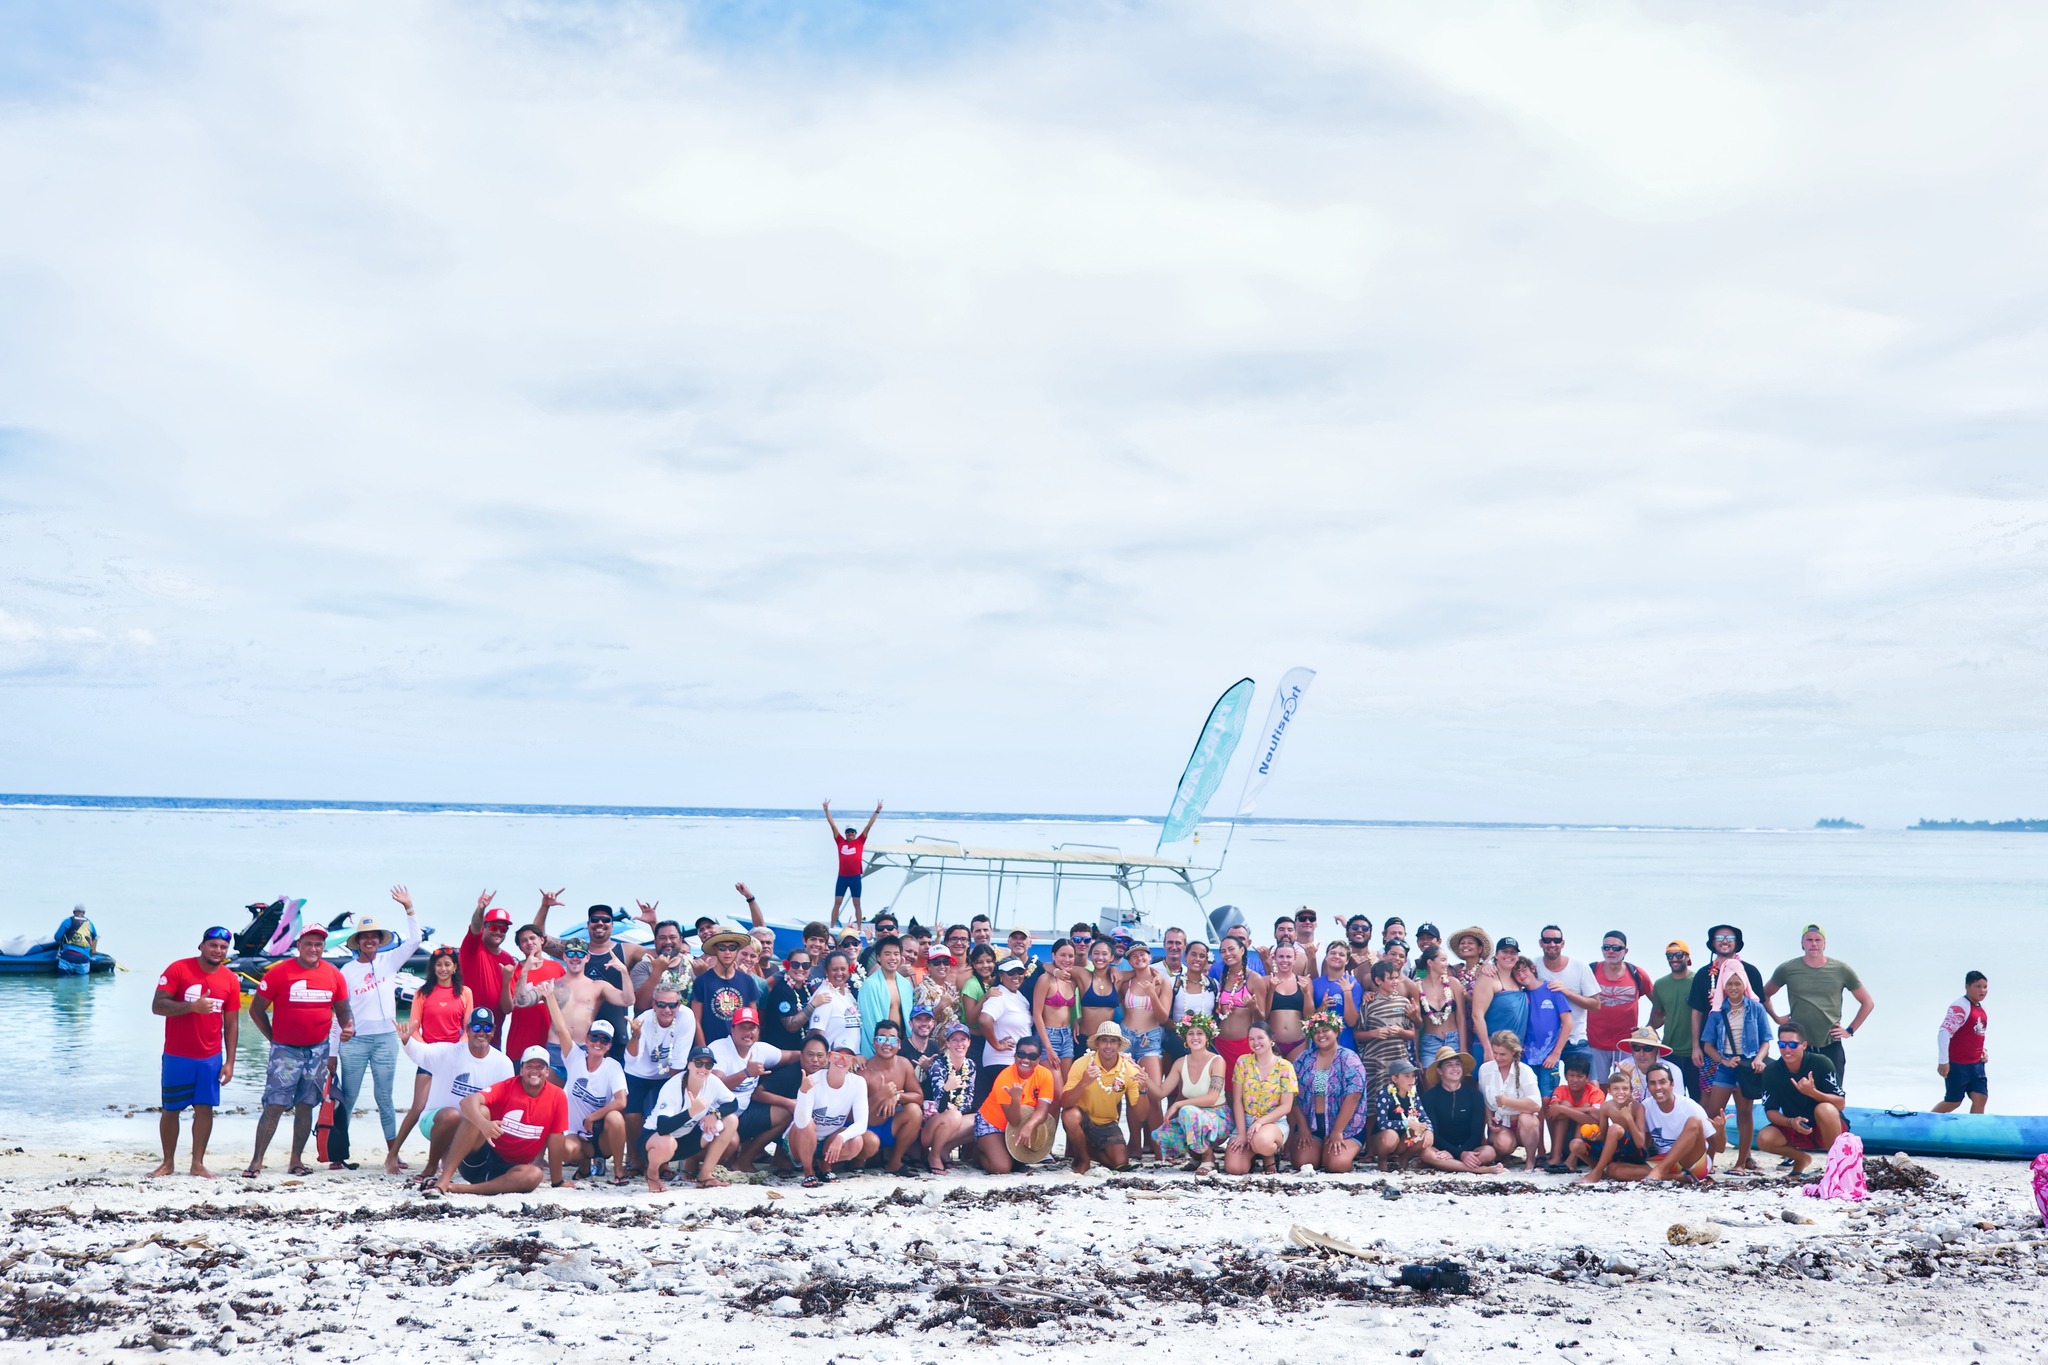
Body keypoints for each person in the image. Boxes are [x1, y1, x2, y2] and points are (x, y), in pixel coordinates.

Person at [245, 924, 353, 1179]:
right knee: (275, 1104)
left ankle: (296, 1160)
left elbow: (343, 1010)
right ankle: (256, 1162)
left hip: (318, 1050)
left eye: (318, 944)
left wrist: (348, 1026)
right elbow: (256, 1010)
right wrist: (274, 1039)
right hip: (286, 1050)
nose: (313, 949)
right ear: (298, 946)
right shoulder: (279, 973)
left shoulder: (334, 974)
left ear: (323, 947)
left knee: (306, 1105)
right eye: (308, 944)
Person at [333, 889, 426, 1174]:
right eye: (365, 937)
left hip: (386, 1039)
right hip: (355, 1042)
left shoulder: (390, 961)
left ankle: (393, 1154)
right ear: (358, 942)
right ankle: (337, 1154)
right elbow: (338, 1013)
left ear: (379, 940)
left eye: (374, 936)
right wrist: (333, 1051)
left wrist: (409, 908)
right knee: (348, 1097)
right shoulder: (346, 971)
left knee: (385, 1098)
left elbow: (415, 940)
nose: (370, 940)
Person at [150, 925, 241, 1178]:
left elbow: (232, 1023)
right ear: (201, 946)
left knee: (204, 1109)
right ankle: (167, 1163)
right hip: (177, 1054)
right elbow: (158, 1006)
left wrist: (230, 1061)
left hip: (210, 1057)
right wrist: (192, 1007)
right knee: (171, 1109)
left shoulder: (230, 979)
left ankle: (197, 1164)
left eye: (223, 947)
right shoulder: (178, 969)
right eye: (213, 945)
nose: (218, 950)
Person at [399, 1007, 513, 1184]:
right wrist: (407, 1040)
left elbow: (506, 1104)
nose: (481, 1032)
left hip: (473, 1127)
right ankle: (431, 1166)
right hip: (435, 1122)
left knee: (483, 1113)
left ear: (493, 1031)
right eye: (476, 1027)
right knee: (451, 1115)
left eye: (487, 1028)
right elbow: (420, 1053)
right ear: (467, 1030)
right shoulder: (449, 1052)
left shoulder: (503, 1063)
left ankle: (455, 1166)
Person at [436, 1046, 567, 1196]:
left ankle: (458, 1189)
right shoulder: (507, 1087)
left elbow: (556, 1138)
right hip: (479, 1161)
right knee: (481, 1111)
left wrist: (557, 1182)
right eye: (529, 1066)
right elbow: (467, 1102)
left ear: (547, 1071)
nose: (534, 1071)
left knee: (535, 1174)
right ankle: (444, 1180)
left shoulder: (557, 1096)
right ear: (521, 1070)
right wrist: (483, 1124)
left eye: (540, 1067)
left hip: (510, 1171)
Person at [1764, 925, 1874, 1082]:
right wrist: (1776, 1018)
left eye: (1818, 940)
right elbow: (1764, 995)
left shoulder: (1841, 969)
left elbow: (1867, 1002)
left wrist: (1850, 1030)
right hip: (1799, 1046)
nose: (1814, 944)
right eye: (1809, 940)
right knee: (1797, 1091)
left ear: (1824, 944)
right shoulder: (1787, 969)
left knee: (1833, 1094)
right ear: (1802, 943)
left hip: (1830, 1044)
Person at [394, 946, 473, 1159]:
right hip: (429, 1058)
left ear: (455, 967)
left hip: (454, 1058)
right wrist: (426, 1051)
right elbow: (414, 1028)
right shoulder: (422, 993)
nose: (443, 969)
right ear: (433, 968)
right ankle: (393, 1154)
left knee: (451, 1109)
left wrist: (458, 1049)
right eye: (438, 965)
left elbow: (468, 1028)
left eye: (447, 964)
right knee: (418, 1106)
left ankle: (444, 1157)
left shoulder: (465, 992)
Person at [543, 994, 628, 1185]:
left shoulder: (612, 1066)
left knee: (616, 1118)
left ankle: (619, 1170)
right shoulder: (574, 1057)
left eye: (604, 1040)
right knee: (564, 1149)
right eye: (594, 1037)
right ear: (587, 1039)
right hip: (576, 1133)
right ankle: (584, 1164)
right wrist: (550, 996)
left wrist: (593, 1117)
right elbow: (561, 1028)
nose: (598, 1043)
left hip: (601, 1135)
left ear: (609, 1046)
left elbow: (621, 1101)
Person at [1579, 1065, 1710, 1184]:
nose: (1658, 1087)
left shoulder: (1689, 1106)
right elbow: (1629, 1104)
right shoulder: (1647, 1105)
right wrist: (1627, 1078)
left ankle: (1659, 1172)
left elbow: (1715, 1144)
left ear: (1672, 1084)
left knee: (1694, 1121)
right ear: (1648, 1087)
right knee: (1613, 1170)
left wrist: (1718, 1136)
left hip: (1690, 1161)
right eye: (1652, 1083)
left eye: (1662, 1082)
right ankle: (1675, 1177)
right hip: (1662, 1160)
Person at [1699, 962, 1771, 1171]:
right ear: (1723, 985)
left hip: (1747, 1066)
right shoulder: (1717, 1012)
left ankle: (1741, 1163)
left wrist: (1759, 1059)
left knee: (1744, 1113)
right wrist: (1724, 1061)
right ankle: (1709, 1161)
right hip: (1726, 1066)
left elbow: (1766, 1041)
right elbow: (1708, 1045)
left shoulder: (1756, 1008)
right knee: (1714, 1113)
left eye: (1737, 983)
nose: (1733, 988)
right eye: (1729, 984)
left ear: (1744, 984)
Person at [644, 1046, 739, 1192]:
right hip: (654, 1141)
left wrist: (715, 1114)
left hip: (685, 1140)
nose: (703, 1068)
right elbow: (662, 1127)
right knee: (667, 1142)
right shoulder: (672, 1086)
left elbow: (733, 1103)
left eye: (708, 1065)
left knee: (731, 1120)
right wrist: (691, 1112)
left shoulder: (712, 1081)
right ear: (689, 1064)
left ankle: (705, 1175)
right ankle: (652, 1174)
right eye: (699, 1063)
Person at [1756, 1022, 1847, 1174]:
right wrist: (1790, 1122)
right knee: (1764, 1138)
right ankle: (1801, 1159)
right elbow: (1770, 1110)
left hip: (1828, 1127)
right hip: (1796, 1127)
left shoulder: (1821, 1063)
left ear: (1804, 1045)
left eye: (1792, 1044)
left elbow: (1840, 1104)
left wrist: (1813, 1092)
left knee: (1824, 1108)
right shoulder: (1772, 1071)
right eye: (1782, 1044)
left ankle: (1836, 1167)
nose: (1787, 1049)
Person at [1062, 1021, 1146, 1174]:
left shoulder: (1130, 1070)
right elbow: (1065, 1103)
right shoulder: (1082, 1064)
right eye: (1104, 1040)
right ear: (1097, 1043)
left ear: (1119, 1045)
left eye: (1113, 1041)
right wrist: (1083, 1082)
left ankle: (1087, 1149)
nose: (1108, 1046)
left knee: (1120, 1163)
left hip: (1108, 1123)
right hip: (1083, 1119)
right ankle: (1083, 1159)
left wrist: (1143, 1090)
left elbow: (1141, 1115)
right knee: (1070, 1115)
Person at [1150, 1015, 1230, 1173]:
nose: (1195, 1037)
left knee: (1186, 1111)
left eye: (1200, 1033)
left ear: (1207, 1038)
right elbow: (1160, 1093)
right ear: (1185, 1038)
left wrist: (1178, 1104)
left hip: (1218, 1118)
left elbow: (1212, 1098)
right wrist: (1144, 1078)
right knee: (1162, 1135)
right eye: (1190, 1033)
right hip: (1194, 1117)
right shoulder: (1180, 1063)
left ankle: (1208, 1158)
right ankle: (1196, 1156)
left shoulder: (1217, 1061)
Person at [1289, 1011, 1367, 1173]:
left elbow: (1354, 1095)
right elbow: (1291, 1091)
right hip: (1312, 1124)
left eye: (1325, 1030)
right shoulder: (1304, 1058)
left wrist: (1337, 1131)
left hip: (1346, 1126)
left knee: (1336, 1165)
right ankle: (1321, 1148)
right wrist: (1302, 1127)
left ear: (1336, 1032)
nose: (1321, 1035)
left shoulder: (1349, 1058)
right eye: (1316, 1032)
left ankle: (1339, 1152)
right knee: (1303, 1163)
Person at [1687, 925, 1765, 1084]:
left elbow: (1759, 1011)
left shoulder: (1750, 972)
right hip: (1711, 1049)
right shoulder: (1703, 974)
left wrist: (1761, 1052)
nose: (1724, 941)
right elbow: (1697, 1012)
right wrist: (1696, 1047)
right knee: (1708, 1092)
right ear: (1713, 943)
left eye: (1730, 938)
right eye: (1719, 938)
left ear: (1736, 943)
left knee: (1744, 1093)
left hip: (1746, 1051)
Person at [792, 1039, 876, 1185]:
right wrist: (803, 1092)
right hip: (801, 1139)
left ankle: (825, 1165)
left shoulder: (858, 1082)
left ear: (852, 1061)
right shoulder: (813, 1079)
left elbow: (862, 1124)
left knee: (856, 1141)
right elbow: (800, 1122)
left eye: (847, 1057)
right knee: (808, 1123)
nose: (842, 1060)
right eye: (837, 1055)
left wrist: (841, 1137)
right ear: (830, 1057)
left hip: (829, 1140)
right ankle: (808, 1170)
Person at [1118, 938, 1170, 1155]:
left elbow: (1163, 1017)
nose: (1139, 958)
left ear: (1149, 956)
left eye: (1142, 954)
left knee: (1154, 1095)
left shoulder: (1162, 982)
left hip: (1151, 1039)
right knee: (1131, 1094)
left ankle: (1159, 1148)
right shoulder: (1126, 983)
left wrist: (1152, 994)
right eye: (1134, 956)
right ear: (1129, 960)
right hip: (1127, 1038)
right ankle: (1135, 1145)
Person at [1224, 1022, 1296, 1175]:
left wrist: (1260, 1122)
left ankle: (1268, 1156)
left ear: (1271, 1039)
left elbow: (1286, 1106)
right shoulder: (1243, 1062)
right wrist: (1242, 1134)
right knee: (1235, 1168)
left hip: (1273, 1122)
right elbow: (1237, 1101)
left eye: (1260, 1038)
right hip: (1246, 1121)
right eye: (1251, 1039)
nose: (1256, 1042)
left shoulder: (1285, 1066)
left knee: (1262, 1141)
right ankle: (1251, 1155)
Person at [550, 940, 631, 1073]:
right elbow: (521, 1000)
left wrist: (624, 971)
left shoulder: (598, 986)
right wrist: (524, 972)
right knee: (551, 1087)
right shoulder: (552, 985)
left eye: (580, 954)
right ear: (564, 957)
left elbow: (628, 1000)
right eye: (570, 954)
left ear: (587, 957)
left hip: (583, 1049)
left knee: (581, 1086)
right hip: (555, 1048)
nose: (575, 958)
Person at [1584, 931, 1653, 1084]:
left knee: (1627, 1086)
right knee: (1597, 1088)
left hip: (1626, 1045)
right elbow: (1577, 1000)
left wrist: (1647, 1030)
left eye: (1616, 948)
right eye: (1606, 947)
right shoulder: (1590, 971)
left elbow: (1659, 1004)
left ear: (1625, 951)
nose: (1611, 951)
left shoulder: (1637, 974)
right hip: (1595, 1043)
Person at [1416, 1050, 1500, 1174]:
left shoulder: (1474, 1095)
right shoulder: (1429, 1097)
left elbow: (1477, 1133)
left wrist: (1463, 1152)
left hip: (1470, 1149)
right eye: (1449, 1065)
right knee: (1427, 1153)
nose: (1455, 1068)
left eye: (1457, 1064)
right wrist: (1459, 1153)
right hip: (1441, 1149)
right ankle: (1480, 1170)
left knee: (1489, 1152)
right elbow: (1434, 1133)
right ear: (1439, 1071)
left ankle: (1449, 1165)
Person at [859, 1018, 924, 1174]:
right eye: (882, 1039)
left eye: (892, 1039)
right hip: (867, 1129)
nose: (887, 1043)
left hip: (890, 1127)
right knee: (871, 1144)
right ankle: (857, 1161)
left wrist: (897, 1097)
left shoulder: (904, 1064)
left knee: (914, 1111)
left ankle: (895, 1162)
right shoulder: (864, 1071)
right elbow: (853, 1114)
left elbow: (918, 1096)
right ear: (874, 1042)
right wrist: (880, 1096)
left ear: (899, 1044)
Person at [459, 891, 521, 1046]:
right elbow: (474, 927)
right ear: (484, 927)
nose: (498, 932)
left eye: (503, 929)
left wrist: (506, 981)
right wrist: (481, 908)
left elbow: (507, 1008)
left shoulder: (509, 960)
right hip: (465, 1033)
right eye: (494, 927)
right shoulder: (473, 947)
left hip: (493, 1037)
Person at [975, 957, 1039, 1106]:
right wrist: (997, 1044)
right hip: (1002, 1062)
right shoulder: (999, 996)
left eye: (1020, 972)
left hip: (1017, 1062)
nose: (1016, 976)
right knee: (1012, 1109)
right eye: (1011, 972)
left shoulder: (1019, 997)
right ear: (1001, 976)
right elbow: (984, 1020)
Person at [1477, 1030, 1543, 1172]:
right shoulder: (1485, 1069)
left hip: (1522, 1123)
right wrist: (1489, 1120)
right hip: (1501, 1123)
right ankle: (1505, 1156)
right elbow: (1483, 1101)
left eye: (1502, 1054)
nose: (1497, 1058)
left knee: (1527, 1119)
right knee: (1503, 1144)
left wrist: (1507, 1101)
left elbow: (1536, 1105)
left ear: (1513, 1052)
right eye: (1495, 1053)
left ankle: (1530, 1160)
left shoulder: (1525, 1071)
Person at [920, 1021, 980, 1175]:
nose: (959, 1044)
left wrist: (956, 1109)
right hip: (929, 1126)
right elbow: (939, 1106)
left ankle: (945, 1150)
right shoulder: (938, 1065)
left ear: (969, 1042)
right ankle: (934, 1155)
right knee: (954, 1116)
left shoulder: (970, 1065)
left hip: (953, 1117)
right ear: (947, 1043)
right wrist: (947, 1088)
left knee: (981, 1119)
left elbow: (969, 1100)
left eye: (963, 1040)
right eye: (954, 1040)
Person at [1213, 936, 1268, 1097]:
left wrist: (1253, 1007)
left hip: (1243, 1046)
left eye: (1231, 949)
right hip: (1221, 1044)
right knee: (1224, 1092)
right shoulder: (1223, 977)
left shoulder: (1254, 978)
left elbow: (1262, 1018)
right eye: (1223, 951)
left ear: (1242, 950)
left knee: (1245, 1091)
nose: (1227, 954)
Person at [1533, 927, 1599, 1060]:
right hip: (1544, 1041)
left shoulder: (1580, 967)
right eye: (1547, 940)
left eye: (1556, 940)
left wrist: (1567, 992)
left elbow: (1596, 1005)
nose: (1552, 944)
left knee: (1586, 1074)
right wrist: (1489, 966)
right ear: (1540, 943)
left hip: (1575, 1040)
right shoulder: (1533, 966)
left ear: (1563, 943)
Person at [1354, 960, 1416, 1099]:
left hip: (1399, 1061)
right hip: (1375, 1063)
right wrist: (1373, 1033)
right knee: (1373, 1103)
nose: (1395, 982)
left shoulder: (1404, 1002)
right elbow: (1357, 1034)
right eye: (1391, 978)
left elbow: (1412, 1034)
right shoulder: (1368, 1003)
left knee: (1400, 1101)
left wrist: (1400, 1031)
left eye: (1396, 978)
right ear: (1378, 980)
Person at [1514, 957, 1572, 1102]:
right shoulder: (1521, 996)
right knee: (1530, 1100)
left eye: (1524, 970)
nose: (1521, 975)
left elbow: (1568, 1023)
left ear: (1532, 969)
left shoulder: (1552, 990)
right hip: (1526, 1057)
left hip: (1549, 1056)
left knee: (1548, 1100)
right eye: (1516, 973)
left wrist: (1555, 1054)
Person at [691, 929, 761, 1048]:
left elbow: (754, 1020)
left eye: (732, 948)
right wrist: (704, 1051)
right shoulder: (702, 981)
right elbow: (696, 1020)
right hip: (711, 1046)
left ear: (737, 950)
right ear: (715, 950)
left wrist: (751, 1049)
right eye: (722, 948)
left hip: (739, 1048)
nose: (727, 952)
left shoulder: (748, 981)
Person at [1934, 971, 1990, 1114]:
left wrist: (1983, 1051)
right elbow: (1944, 1032)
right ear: (1967, 986)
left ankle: (1974, 1126)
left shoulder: (1980, 1008)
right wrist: (1943, 1061)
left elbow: (1974, 1033)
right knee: (1953, 1101)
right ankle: (1926, 1121)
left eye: (1985, 987)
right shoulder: (1960, 1007)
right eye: (1978, 986)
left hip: (1976, 1064)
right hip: (1958, 1064)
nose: (1982, 990)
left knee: (1981, 1097)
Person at [1647, 940, 1698, 1098]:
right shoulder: (1660, 984)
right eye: (1669, 955)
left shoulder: (1698, 981)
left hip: (1696, 1052)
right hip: (1669, 1051)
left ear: (1687, 957)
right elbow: (1658, 1015)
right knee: (1672, 1098)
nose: (1674, 959)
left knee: (1699, 1099)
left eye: (1678, 954)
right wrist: (1644, 1032)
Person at [1541, 1055, 1604, 1174]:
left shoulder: (1595, 1092)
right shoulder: (1560, 1090)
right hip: (1566, 1140)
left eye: (1580, 1076)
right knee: (1568, 1105)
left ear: (1587, 1078)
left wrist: (1563, 1109)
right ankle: (1556, 1156)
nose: (1575, 1080)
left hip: (1588, 1143)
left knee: (1580, 1111)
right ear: (1565, 1076)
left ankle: (1572, 1159)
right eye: (1571, 1075)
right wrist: (1586, 1110)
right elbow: (1553, 1112)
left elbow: (1596, 1119)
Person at [824, 799, 883, 923]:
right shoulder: (840, 841)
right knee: (837, 902)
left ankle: (859, 927)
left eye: (852, 832)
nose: (850, 834)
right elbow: (832, 825)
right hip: (842, 877)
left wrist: (877, 811)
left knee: (857, 903)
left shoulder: (860, 841)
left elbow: (869, 826)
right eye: (848, 832)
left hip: (855, 878)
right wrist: (826, 810)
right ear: (845, 834)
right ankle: (832, 926)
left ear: (855, 833)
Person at [857, 934, 917, 1055]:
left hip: (903, 1044)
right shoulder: (870, 985)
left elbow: (909, 1019)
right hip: (880, 1048)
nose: (892, 958)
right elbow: (869, 1023)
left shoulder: (905, 984)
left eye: (896, 954)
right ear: (878, 957)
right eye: (887, 954)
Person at [1367, 1059, 1430, 1172]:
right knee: (1391, 1136)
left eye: (1413, 1076)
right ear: (1395, 1079)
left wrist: (1429, 1130)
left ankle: (1404, 1157)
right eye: (1406, 1076)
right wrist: (1407, 1123)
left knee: (1424, 1133)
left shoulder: (1413, 1094)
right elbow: (1382, 1124)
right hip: (1383, 1138)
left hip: (1404, 1139)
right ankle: (1382, 1159)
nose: (1412, 1080)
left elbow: (1423, 1116)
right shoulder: (1385, 1094)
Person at [1472, 939, 1528, 1059]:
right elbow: (1477, 1015)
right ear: (1496, 955)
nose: (1509, 955)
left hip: (1513, 1051)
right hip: (1493, 1050)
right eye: (1505, 951)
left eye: (1513, 952)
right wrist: (1487, 1049)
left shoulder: (1518, 979)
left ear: (1517, 957)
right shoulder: (1488, 978)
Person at [1416, 946, 1466, 1072]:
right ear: (1430, 962)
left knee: (1455, 1079)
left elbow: (1461, 1018)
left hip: (1454, 1040)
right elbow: (1415, 1025)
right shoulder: (1417, 988)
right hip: (1429, 1043)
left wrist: (1463, 1047)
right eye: (1443, 960)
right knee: (1429, 1080)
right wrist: (1416, 1055)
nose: (1446, 964)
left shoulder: (1453, 983)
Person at [1033, 938, 1081, 1064]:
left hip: (1067, 1035)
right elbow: (1037, 1015)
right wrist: (1048, 1047)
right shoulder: (1045, 979)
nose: (1067, 959)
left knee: (1067, 1077)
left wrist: (1077, 1020)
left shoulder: (1073, 980)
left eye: (1071, 956)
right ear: (1053, 955)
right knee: (1053, 1076)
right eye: (1062, 955)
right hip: (1049, 1035)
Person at [809, 951, 865, 1055]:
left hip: (852, 1060)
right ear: (826, 971)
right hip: (833, 1060)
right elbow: (817, 1035)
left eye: (843, 969)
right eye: (834, 969)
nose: (839, 973)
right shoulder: (824, 996)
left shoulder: (847, 993)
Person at [1311, 941, 1364, 1051]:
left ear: (1347, 960)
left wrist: (1347, 992)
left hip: (1345, 1048)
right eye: (1333, 953)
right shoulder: (1315, 984)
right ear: (1326, 957)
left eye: (1341, 954)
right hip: (1319, 1048)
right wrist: (1321, 1008)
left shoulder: (1353, 984)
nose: (1336, 956)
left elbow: (1352, 1022)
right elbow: (1308, 1019)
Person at [1263, 943, 1311, 1059]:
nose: (1285, 960)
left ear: (1295, 959)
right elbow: (1263, 1015)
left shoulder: (1304, 981)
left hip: (1298, 1043)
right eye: (1281, 956)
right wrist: (1271, 991)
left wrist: (1306, 993)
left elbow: (1309, 1016)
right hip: (1272, 1043)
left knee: (1295, 1071)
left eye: (1288, 957)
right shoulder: (1265, 981)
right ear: (1274, 958)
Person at [49, 903, 98, 973]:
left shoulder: (68, 921)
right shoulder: (90, 923)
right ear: (84, 913)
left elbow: (57, 937)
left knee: (63, 979)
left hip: (68, 956)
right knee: (82, 979)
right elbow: (95, 937)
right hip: (84, 958)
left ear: (73, 912)